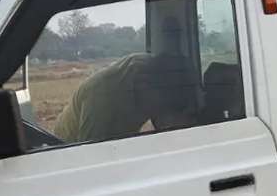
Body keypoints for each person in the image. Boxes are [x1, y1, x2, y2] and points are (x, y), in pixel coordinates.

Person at [53, 52, 198, 144]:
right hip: (67, 146)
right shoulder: (101, 97)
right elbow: (89, 155)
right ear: (145, 86)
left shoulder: (158, 75)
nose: (157, 113)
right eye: (161, 108)